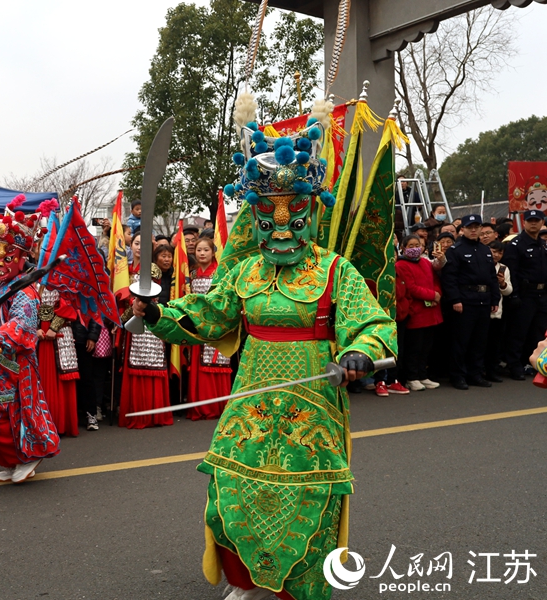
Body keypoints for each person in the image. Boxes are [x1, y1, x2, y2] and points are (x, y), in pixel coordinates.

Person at [133, 113, 396, 600]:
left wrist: (359, 352)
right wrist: (156, 312)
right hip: (250, 401)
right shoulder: (245, 271)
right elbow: (207, 316)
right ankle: (246, 581)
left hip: (312, 405)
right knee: (230, 490)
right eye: (267, 215)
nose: (279, 226)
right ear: (254, 218)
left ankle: (295, 589)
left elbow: (372, 323)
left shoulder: (335, 270)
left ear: (311, 213)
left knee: (308, 498)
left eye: (292, 214)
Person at [0, 199, 60, 483]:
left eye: (7, 258)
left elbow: (21, 325)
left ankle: (29, 455)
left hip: (15, 364)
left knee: (16, 413)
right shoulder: (3, 287)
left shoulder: (25, 291)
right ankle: (11, 460)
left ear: (22, 259)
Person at [117, 231, 172, 429]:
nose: (140, 247)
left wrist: (127, 314)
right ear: (130, 246)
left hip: (147, 319)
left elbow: (149, 297)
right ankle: (135, 411)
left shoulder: (153, 269)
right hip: (130, 322)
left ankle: (152, 413)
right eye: (136, 243)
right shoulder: (124, 269)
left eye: (144, 244)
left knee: (151, 365)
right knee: (133, 365)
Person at [440, 214, 500, 389]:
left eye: (476, 227)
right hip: (465, 300)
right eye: (469, 227)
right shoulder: (455, 250)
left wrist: (495, 298)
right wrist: (455, 299)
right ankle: (458, 376)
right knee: (461, 341)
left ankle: (475, 374)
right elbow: (449, 278)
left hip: (484, 299)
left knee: (480, 341)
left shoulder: (485, 250)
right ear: (463, 229)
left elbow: (492, 277)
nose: (473, 230)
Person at [186, 238, 231, 420]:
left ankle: (216, 406)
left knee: (216, 364)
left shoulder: (220, 273)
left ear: (213, 252)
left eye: (206, 250)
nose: (202, 253)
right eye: (199, 250)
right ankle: (200, 406)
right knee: (198, 365)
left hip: (216, 324)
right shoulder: (192, 274)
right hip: (197, 325)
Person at [501, 209, 547, 380]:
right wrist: (514, 296)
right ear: (524, 222)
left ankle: (533, 364)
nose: (533, 223)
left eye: (537, 220)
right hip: (524, 294)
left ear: (542, 223)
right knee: (518, 332)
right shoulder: (516, 244)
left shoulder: (543, 244)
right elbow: (512, 272)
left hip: (542, 294)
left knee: (538, 332)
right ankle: (515, 365)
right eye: (530, 221)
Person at [395, 235, 443, 391]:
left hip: (431, 310)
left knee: (426, 347)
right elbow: (411, 287)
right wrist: (432, 295)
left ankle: (423, 375)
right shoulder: (401, 265)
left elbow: (436, 280)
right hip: (416, 311)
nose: (415, 248)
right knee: (414, 347)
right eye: (410, 245)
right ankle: (412, 377)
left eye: (417, 245)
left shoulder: (425, 262)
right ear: (403, 248)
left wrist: (437, 294)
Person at [37, 283, 80, 437]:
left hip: (60, 331)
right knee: (41, 377)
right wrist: (36, 328)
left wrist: (53, 328)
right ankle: (43, 423)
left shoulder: (64, 279)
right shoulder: (34, 280)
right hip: (40, 334)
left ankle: (61, 423)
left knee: (63, 375)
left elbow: (69, 304)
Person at [484, 241, 513, 382]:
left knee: (494, 344)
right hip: (481, 309)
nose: (496, 255)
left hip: (497, 311)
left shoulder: (503, 268)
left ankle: (492, 371)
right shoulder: (482, 264)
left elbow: (508, 291)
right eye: (493, 251)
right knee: (480, 343)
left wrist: (502, 284)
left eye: (499, 252)